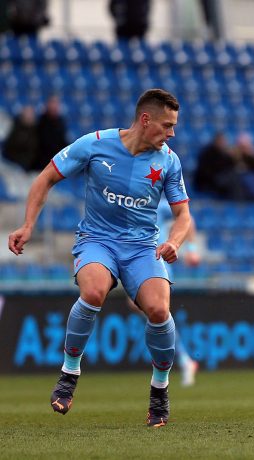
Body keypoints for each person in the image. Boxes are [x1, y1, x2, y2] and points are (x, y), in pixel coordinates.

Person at [7, 89, 191, 428]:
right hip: (97, 240)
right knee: (92, 293)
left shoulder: (168, 160)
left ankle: (159, 391)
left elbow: (184, 216)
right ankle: (69, 373)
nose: (172, 133)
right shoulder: (94, 144)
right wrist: (29, 224)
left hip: (141, 247)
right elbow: (46, 177)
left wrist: (175, 242)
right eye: (167, 125)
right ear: (145, 119)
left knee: (159, 310)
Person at [125, 198, 201, 387]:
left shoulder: (158, 204)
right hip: (138, 262)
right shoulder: (127, 201)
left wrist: (191, 249)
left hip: (158, 261)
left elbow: (185, 217)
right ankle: (184, 359)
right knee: (145, 308)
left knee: (155, 311)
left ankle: (181, 360)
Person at [33, 95, 68, 171]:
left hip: (57, 163)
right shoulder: (41, 122)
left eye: (57, 103)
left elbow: (62, 142)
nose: (55, 106)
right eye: (53, 103)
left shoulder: (60, 122)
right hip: (41, 165)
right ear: (47, 104)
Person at [2, 105, 39, 171]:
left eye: (31, 114)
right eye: (27, 113)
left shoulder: (36, 130)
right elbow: (9, 148)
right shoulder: (15, 128)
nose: (29, 116)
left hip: (30, 167)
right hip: (13, 164)